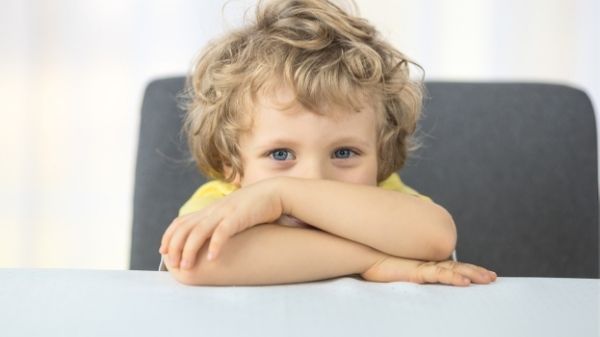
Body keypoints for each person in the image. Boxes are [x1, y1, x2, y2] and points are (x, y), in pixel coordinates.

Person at [159, 0, 497, 286]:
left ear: (381, 155)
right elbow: (195, 261)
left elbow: (437, 238)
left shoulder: (382, 197)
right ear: (232, 163)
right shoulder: (225, 203)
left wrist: (281, 193)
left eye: (344, 152)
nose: (314, 180)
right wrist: (372, 260)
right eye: (280, 154)